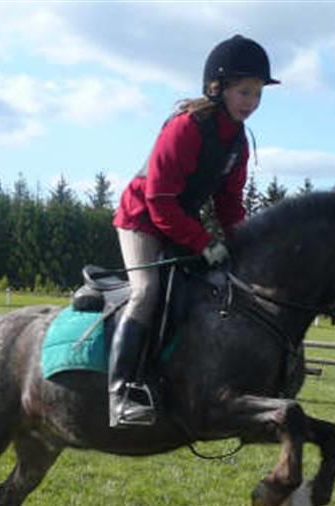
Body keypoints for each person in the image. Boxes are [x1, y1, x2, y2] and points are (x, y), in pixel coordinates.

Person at [109, 34, 280, 427]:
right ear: (217, 88)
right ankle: (121, 392)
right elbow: (160, 202)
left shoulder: (238, 141)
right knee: (147, 292)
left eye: (257, 95)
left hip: (178, 221)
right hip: (142, 217)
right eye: (244, 92)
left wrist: (243, 244)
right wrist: (203, 242)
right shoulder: (186, 127)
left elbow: (229, 204)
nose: (251, 103)